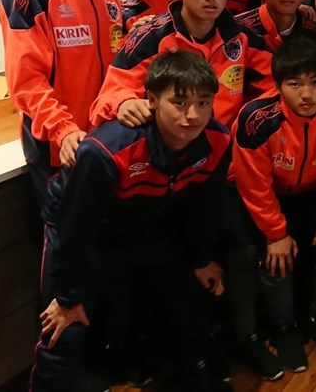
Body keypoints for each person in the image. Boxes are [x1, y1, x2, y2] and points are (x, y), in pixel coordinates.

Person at [30, 51, 233, 392]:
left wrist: (200, 259)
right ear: (152, 101)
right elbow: (76, 227)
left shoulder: (218, 140)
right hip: (85, 226)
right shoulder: (107, 150)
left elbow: (204, 206)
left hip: (144, 220)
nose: (193, 115)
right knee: (64, 323)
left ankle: (191, 373)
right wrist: (67, 297)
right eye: (179, 103)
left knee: (191, 292)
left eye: (203, 102)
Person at [232, 37, 316, 371]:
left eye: (315, 83)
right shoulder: (255, 119)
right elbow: (254, 186)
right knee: (276, 260)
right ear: (278, 86)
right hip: (269, 202)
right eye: (294, 84)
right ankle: (284, 328)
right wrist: (276, 234)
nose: (307, 94)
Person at [0, 0, 124, 218]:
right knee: (69, 237)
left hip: (105, 141)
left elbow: (117, 66)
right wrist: (63, 130)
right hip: (59, 148)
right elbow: (26, 80)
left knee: (108, 234)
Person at [89, 0, 273, 130]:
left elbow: (277, 84)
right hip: (169, 144)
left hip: (225, 143)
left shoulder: (241, 36)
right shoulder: (152, 37)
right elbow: (109, 94)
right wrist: (124, 103)